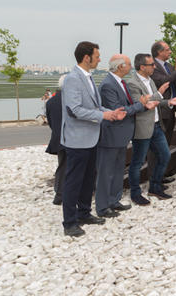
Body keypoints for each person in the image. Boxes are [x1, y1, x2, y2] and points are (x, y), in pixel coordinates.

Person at [60, 41, 126, 237]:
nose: (100, 59)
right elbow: (75, 110)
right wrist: (103, 116)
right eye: (97, 55)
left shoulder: (89, 77)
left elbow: (96, 107)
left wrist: (111, 113)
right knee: (74, 181)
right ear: (86, 57)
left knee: (88, 178)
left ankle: (84, 213)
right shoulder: (73, 79)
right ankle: (70, 223)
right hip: (77, 139)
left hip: (92, 137)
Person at [96, 55, 150, 216]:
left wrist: (138, 104)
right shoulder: (108, 85)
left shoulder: (121, 82)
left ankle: (114, 200)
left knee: (118, 170)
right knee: (106, 172)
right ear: (120, 67)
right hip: (111, 135)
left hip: (121, 135)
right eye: (128, 64)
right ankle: (102, 206)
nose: (131, 66)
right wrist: (140, 105)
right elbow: (119, 111)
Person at [127, 54, 176, 202]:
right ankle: (135, 193)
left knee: (165, 155)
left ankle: (155, 187)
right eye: (151, 64)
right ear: (142, 67)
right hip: (142, 128)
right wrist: (159, 94)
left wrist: (168, 102)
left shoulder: (150, 80)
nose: (154, 67)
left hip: (156, 126)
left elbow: (155, 101)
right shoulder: (133, 83)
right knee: (137, 162)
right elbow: (140, 104)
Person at [150, 41, 176, 146]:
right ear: (160, 52)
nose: (170, 51)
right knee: (159, 144)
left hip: (172, 109)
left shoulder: (168, 66)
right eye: (168, 49)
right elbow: (164, 80)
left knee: (167, 142)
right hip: (161, 110)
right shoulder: (152, 66)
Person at [45, 75, 67, 205]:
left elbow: (50, 122)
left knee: (62, 166)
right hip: (72, 138)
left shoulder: (51, 101)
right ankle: (61, 195)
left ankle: (59, 193)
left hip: (58, 138)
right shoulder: (71, 99)